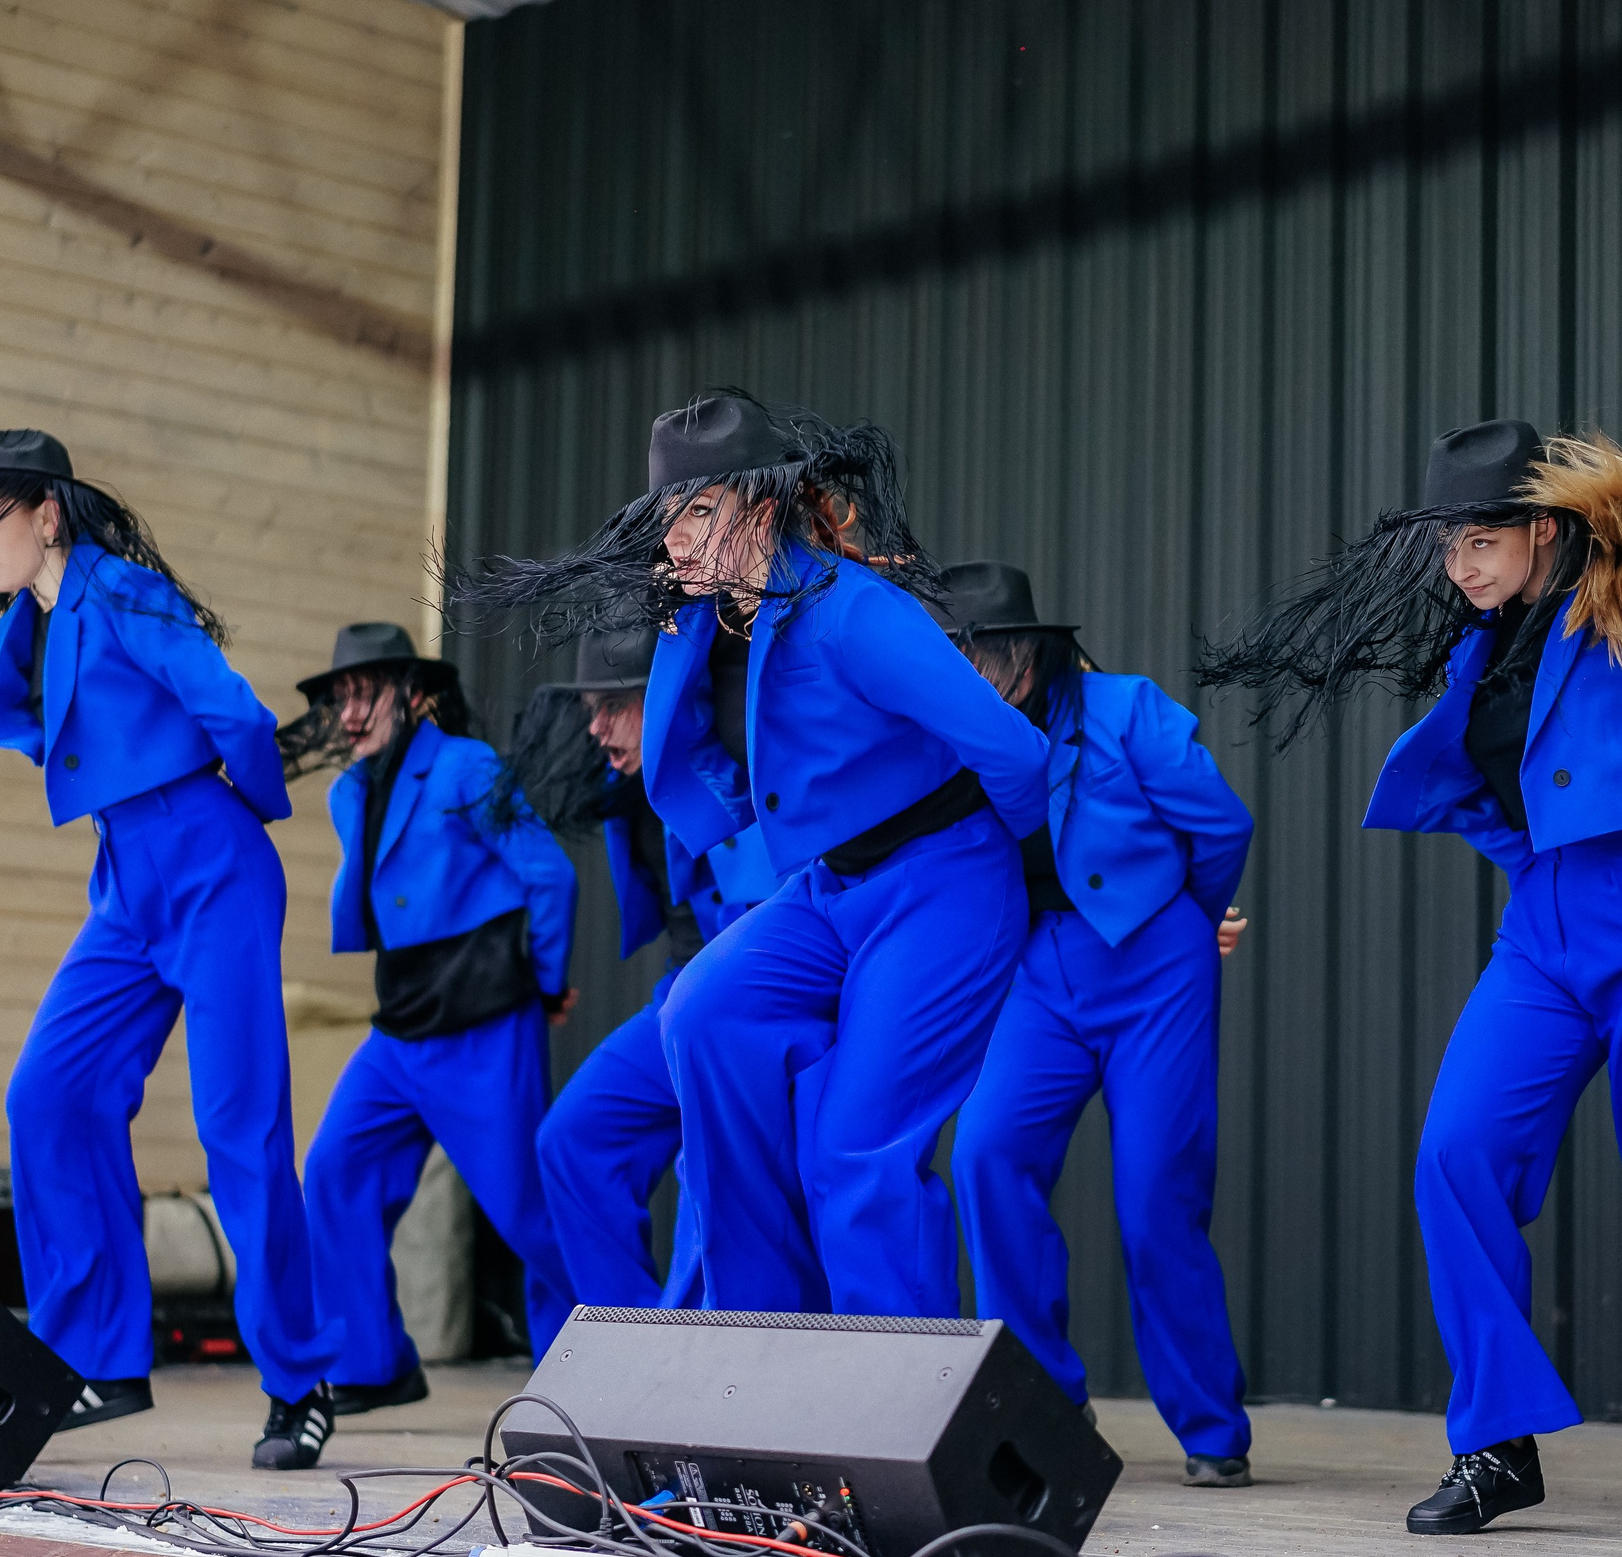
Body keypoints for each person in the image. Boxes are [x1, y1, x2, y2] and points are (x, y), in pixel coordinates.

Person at [1199, 419, 1622, 1535]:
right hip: (1541, 944)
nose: (1459, 564)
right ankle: (1496, 1446)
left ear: (1544, 528)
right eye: (1449, 546)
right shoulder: (1486, 645)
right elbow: (1493, 788)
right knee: (1455, 1156)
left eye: (1479, 539)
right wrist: (1535, 867)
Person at [0, 429, 337, 1469]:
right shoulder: (31, 621)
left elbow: (238, 713)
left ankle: (298, 1383)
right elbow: (41, 730)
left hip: (209, 861)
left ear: (50, 515)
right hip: (127, 880)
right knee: (50, 1094)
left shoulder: (120, 592)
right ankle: (95, 1358)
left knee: (238, 1130)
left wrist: (239, 820)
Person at [457, 391, 1048, 1315]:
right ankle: (751, 1342)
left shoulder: (856, 614)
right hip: (827, 889)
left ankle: (890, 1408)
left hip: (941, 878)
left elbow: (1014, 750)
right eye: (667, 520)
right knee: (701, 1012)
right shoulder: (708, 620)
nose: (675, 541)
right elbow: (692, 753)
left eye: (696, 512)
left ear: (761, 508)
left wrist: (1023, 872)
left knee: (855, 1149)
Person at [933, 564, 1258, 1489]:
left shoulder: (1127, 710)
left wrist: (1192, 921)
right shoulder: (955, 733)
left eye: (981, 656)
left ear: (1027, 655)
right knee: (986, 1154)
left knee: (1156, 1190)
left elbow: (1223, 825)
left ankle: (1210, 1427)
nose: (969, 673)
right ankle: (1041, 1405)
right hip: (1040, 974)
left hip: (1155, 965)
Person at [280, 623, 580, 1415]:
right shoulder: (349, 790)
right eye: (340, 695)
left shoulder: (463, 765)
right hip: (400, 1019)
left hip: (481, 1018)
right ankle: (374, 1364)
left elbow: (548, 874)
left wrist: (542, 985)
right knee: (337, 1170)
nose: (349, 711)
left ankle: (602, 1354)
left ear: (415, 695)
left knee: (526, 1208)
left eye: (366, 691)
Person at [503, 629, 782, 1307]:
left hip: (745, 1012)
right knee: (572, 1141)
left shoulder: (730, 773)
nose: (595, 728)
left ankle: (686, 1366)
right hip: (676, 997)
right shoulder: (628, 785)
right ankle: (620, 1347)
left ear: (663, 701)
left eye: (612, 706)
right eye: (590, 709)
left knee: (709, 1171)